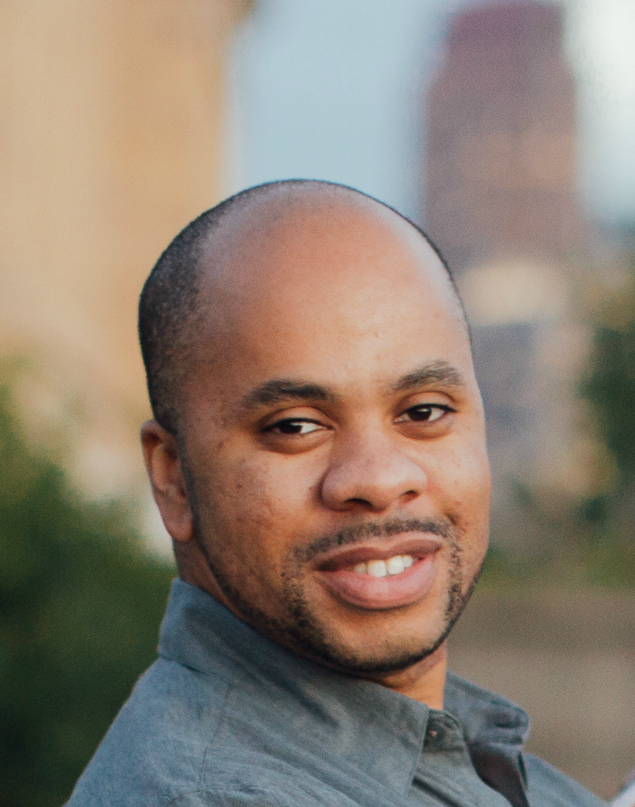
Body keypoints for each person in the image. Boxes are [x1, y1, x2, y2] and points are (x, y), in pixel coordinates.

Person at [66, 181, 603, 806]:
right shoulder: (212, 794)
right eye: (295, 427)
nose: (378, 480)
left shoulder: (463, 766)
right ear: (174, 478)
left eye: (425, 412)